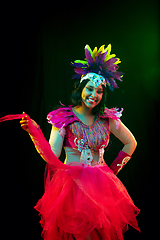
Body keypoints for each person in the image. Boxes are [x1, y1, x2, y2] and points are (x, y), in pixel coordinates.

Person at [1, 44, 140, 239]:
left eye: (99, 91)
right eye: (89, 89)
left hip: (102, 186)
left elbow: (131, 143)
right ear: (81, 88)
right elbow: (52, 156)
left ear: (103, 94)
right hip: (73, 188)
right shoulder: (63, 118)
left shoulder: (108, 118)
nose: (94, 95)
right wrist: (34, 132)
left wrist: (112, 171)